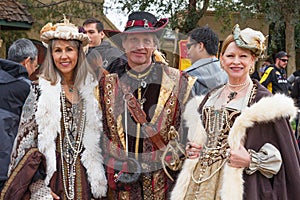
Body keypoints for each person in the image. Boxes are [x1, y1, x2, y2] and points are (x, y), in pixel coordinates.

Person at [171, 24, 300, 200]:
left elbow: (284, 159)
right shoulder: (210, 97)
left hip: (240, 185)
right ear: (221, 60)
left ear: (252, 61)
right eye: (230, 56)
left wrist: (251, 160)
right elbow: (201, 138)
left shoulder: (264, 103)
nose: (236, 62)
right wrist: (194, 148)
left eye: (243, 56)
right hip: (199, 184)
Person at [0, 16, 107, 199]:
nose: (63, 56)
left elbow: (102, 142)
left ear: (79, 53)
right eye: (57, 50)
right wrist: (37, 187)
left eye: (69, 50)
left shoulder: (92, 92)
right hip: (52, 181)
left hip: (86, 181)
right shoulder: (38, 92)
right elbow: (23, 147)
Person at [99, 11, 196, 199]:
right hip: (120, 187)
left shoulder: (179, 82)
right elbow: (99, 134)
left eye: (147, 40)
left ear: (155, 44)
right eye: (133, 40)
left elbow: (191, 134)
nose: (140, 46)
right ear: (124, 44)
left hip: (164, 185)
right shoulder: (106, 85)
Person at [0, 38, 38, 192]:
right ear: (27, 61)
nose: (34, 71)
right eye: (35, 66)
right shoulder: (26, 89)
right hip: (6, 168)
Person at [185, 26, 228, 96]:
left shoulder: (187, 76)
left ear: (200, 46)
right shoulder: (229, 73)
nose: (187, 52)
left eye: (189, 47)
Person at [290, 76, 300, 149]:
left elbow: (294, 94)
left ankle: (296, 147)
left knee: (296, 129)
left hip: (299, 107)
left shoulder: (298, 79)